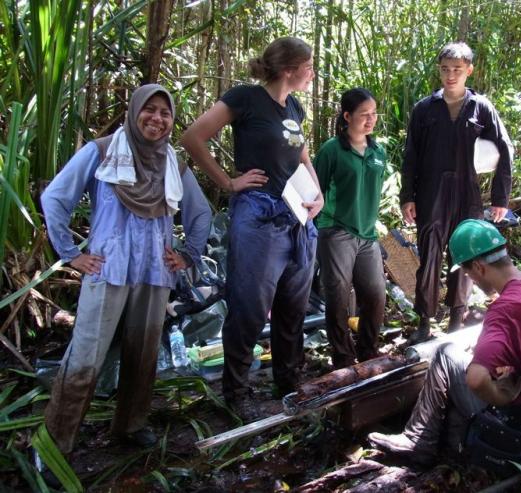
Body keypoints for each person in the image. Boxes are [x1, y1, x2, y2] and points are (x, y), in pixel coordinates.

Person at [40, 84, 212, 456]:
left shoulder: (172, 163)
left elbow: (201, 213)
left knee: (144, 350)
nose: (157, 118)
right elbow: (55, 197)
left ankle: (131, 426)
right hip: (108, 268)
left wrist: (188, 254)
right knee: (86, 353)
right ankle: (56, 442)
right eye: (149, 110)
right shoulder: (102, 153)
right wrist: (71, 254)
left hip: (154, 271)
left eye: (165, 113)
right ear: (134, 112)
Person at [181, 37, 323, 421]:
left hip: (296, 217)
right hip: (258, 216)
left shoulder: (294, 106)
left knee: (293, 306)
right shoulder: (245, 98)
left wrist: (318, 194)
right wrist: (228, 181)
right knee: (249, 307)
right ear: (289, 70)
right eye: (308, 66)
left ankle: (288, 384)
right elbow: (192, 137)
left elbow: (302, 155)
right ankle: (236, 392)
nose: (313, 72)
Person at [367, 219, 521, 465]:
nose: (469, 278)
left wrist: (499, 397)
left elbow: (476, 378)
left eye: (468, 272)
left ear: (479, 267)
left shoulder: (504, 309)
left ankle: (418, 442)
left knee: (444, 354)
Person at [399, 42, 514, 342]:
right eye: (445, 69)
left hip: (467, 192)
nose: (450, 76)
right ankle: (424, 322)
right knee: (429, 257)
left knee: (465, 256)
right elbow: (411, 154)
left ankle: (455, 323)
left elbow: (505, 148)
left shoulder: (482, 107)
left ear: (469, 71)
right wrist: (407, 196)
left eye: (457, 70)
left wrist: (501, 198)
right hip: (430, 191)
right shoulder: (425, 109)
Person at [314, 88, 387, 369]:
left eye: (373, 114)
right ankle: (343, 357)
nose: (371, 120)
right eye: (364, 115)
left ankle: (368, 349)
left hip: (367, 234)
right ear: (347, 116)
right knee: (338, 295)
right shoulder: (332, 150)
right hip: (336, 230)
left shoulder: (378, 151)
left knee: (376, 294)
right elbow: (315, 190)